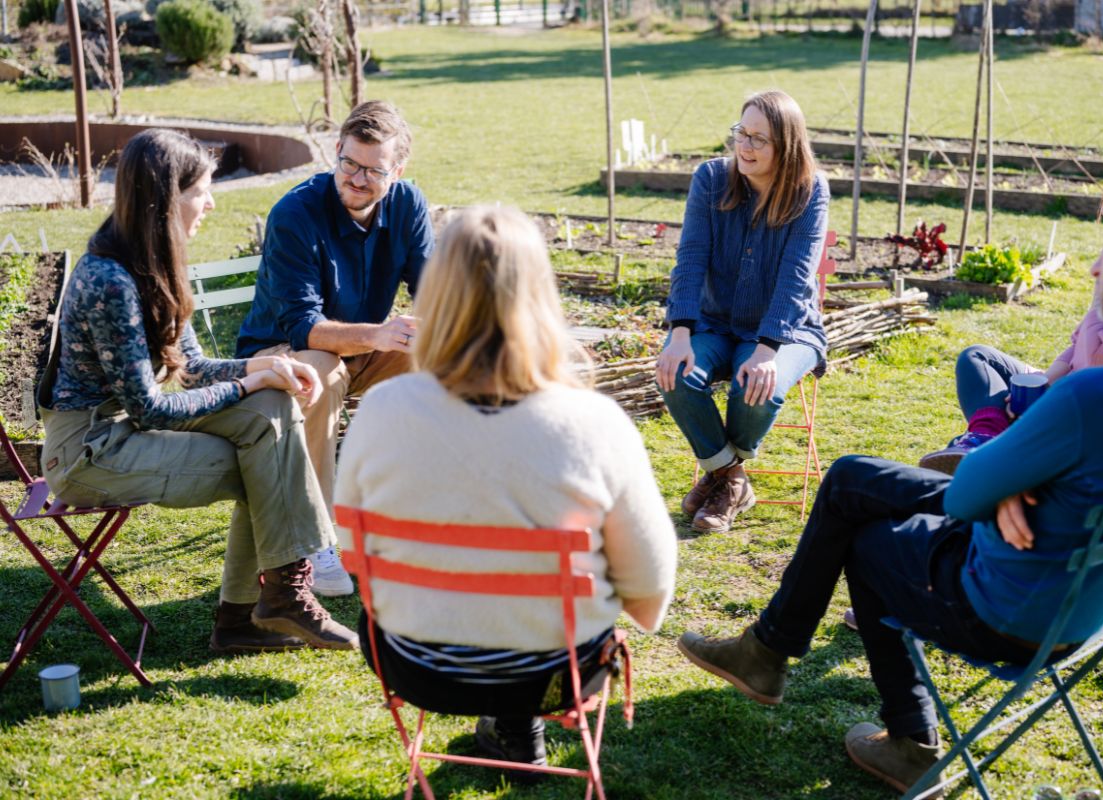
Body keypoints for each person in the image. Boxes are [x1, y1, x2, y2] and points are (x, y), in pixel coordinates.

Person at [675, 180, 1103, 796]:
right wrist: (1020, 480)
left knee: (864, 532)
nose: (1093, 263)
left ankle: (882, 722)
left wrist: (1005, 480)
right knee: (850, 480)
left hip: (1008, 608)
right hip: (1086, 607)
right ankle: (781, 662)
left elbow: (965, 491)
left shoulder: (1099, 393)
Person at [335, 206, 677, 773]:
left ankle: (507, 723)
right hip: (554, 673)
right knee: (539, 615)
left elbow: (353, 549)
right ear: (539, 299)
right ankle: (518, 721)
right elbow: (649, 589)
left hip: (418, 667)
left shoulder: (380, 410)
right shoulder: (593, 423)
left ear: (436, 298)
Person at [39, 129, 357, 654]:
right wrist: (250, 380)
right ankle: (260, 608)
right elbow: (150, 405)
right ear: (167, 199)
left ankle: (272, 600)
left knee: (272, 412)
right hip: (88, 450)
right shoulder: (109, 280)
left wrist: (265, 367)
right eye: (202, 190)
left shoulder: (159, 256)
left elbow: (192, 367)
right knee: (269, 465)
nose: (211, 201)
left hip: (129, 425)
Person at [236, 100, 435, 597]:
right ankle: (318, 539)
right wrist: (379, 334)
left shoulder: (408, 204)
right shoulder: (295, 213)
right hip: (280, 351)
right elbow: (303, 327)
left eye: (373, 170)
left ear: (398, 170)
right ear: (337, 152)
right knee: (319, 373)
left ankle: (408, 509)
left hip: (362, 345)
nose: (357, 178)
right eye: (348, 163)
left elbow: (435, 292)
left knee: (441, 357)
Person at [919, 126, 1103, 475]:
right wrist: (1047, 380)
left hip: (1087, 417)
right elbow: (1080, 339)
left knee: (861, 478)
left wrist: (1055, 396)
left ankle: (993, 450)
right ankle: (985, 438)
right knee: (977, 359)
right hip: (1067, 392)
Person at [656, 89, 830, 533]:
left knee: (758, 384)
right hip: (715, 323)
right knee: (676, 372)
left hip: (787, 332)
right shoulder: (711, 178)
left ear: (786, 146)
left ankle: (719, 477)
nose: (745, 147)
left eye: (759, 139)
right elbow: (690, 258)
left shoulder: (810, 192)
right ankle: (731, 479)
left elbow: (797, 277)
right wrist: (679, 334)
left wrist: (768, 348)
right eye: (741, 133)